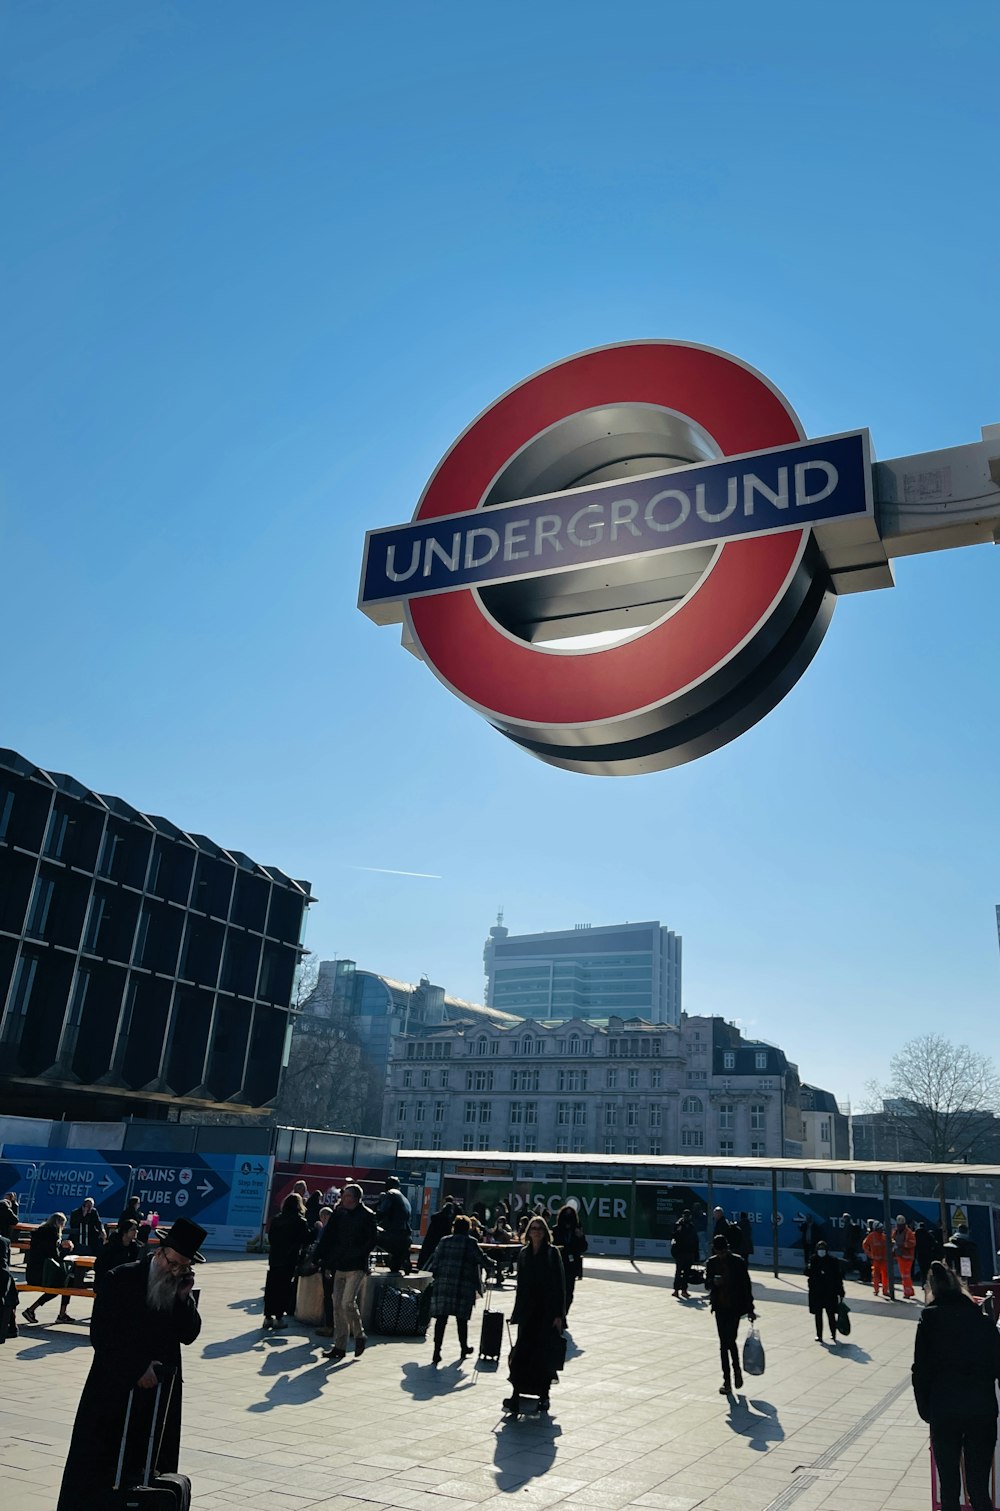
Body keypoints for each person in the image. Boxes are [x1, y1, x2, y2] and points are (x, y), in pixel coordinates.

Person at [55, 1217, 205, 1511]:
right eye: (172, 1263)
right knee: (98, 1467)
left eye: (183, 1267)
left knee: (149, 1468)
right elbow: (102, 1334)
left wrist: (185, 1300)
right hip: (113, 1390)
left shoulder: (179, 1287)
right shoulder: (121, 1277)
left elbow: (189, 1335)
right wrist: (137, 1367)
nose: (175, 1271)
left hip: (158, 1397)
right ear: (160, 1252)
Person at [912, 1260, 1000, 1511]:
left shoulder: (929, 1320)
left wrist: (926, 1410)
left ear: (933, 1290)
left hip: (944, 1409)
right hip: (981, 1411)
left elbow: (921, 1370)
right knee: (979, 1486)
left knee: (949, 1488)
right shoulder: (983, 1323)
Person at [503, 1216, 566, 1415]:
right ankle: (516, 1393)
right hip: (528, 1312)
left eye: (539, 1228)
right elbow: (520, 1286)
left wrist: (559, 1314)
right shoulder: (524, 1254)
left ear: (545, 1232)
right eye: (533, 1228)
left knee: (543, 1356)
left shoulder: (552, 1252)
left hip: (546, 1313)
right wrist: (516, 1313)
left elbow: (559, 1285)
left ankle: (544, 1395)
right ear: (528, 1232)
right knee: (521, 1354)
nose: (536, 1231)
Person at [318, 1182, 378, 1362]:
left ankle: (360, 1334)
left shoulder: (367, 1215)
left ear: (356, 1199)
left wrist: (358, 1253)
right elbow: (329, 1237)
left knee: (347, 1303)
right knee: (336, 1304)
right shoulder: (339, 1214)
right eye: (343, 1196)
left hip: (356, 1266)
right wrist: (325, 1260)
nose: (344, 1198)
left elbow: (372, 1239)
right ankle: (340, 1346)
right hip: (339, 1264)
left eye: (347, 1196)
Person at [426, 1213, 486, 1363]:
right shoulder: (470, 1242)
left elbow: (435, 1262)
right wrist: (493, 1264)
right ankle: (463, 1347)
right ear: (467, 1229)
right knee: (462, 1320)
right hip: (462, 1286)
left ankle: (436, 1351)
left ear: (454, 1228)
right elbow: (481, 1258)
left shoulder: (444, 1241)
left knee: (441, 1320)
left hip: (444, 1286)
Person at [704, 1234, 755, 1395]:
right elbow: (707, 1284)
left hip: (734, 1307)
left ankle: (735, 1373)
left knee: (729, 1341)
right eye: (718, 1253)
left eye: (723, 1252)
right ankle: (728, 1378)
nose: (720, 1255)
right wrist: (713, 1282)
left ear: (727, 1248)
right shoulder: (711, 1263)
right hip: (719, 1307)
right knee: (724, 1343)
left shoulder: (738, 1262)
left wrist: (750, 1309)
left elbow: (746, 1286)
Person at [264, 1192, 312, 1329]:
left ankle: (267, 1317)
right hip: (290, 1259)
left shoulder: (277, 1219)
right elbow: (306, 1238)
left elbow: (271, 1238)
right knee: (284, 1288)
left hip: (275, 1258)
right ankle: (279, 1317)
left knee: (271, 1287)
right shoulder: (300, 1221)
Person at [21, 1213, 78, 1325]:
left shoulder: (39, 1234)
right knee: (67, 1281)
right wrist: (66, 1249)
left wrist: (60, 1246)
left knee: (65, 1282)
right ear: (58, 1223)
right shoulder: (52, 1236)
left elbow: (46, 1252)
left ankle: (34, 1310)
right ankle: (57, 1313)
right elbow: (56, 1257)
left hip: (32, 1273)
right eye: (63, 1224)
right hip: (44, 1275)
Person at [551, 1204, 588, 1315]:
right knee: (558, 1293)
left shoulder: (577, 1230)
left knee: (569, 1294)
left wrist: (580, 1236)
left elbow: (584, 1247)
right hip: (560, 1265)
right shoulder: (556, 1230)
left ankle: (564, 1314)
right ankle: (559, 1316)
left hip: (572, 1266)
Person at [808, 1237, 845, 1342]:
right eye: (819, 1248)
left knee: (831, 1314)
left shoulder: (833, 1261)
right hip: (817, 1292)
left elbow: (838, 1277)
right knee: (818, 1314)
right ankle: (819, 1335)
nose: (821, 1250)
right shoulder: (813, 1259)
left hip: (830, 1292)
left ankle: (833, 1334)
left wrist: (841, 1291)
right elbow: (807, 1273)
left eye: (823, 1248)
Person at [376, 1176, 413, 1274]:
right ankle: (403, 1261)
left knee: (368, 1233)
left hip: (393, 1236)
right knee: (395, 1267)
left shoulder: (391, 1194)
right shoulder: (405, 1199)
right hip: (405, 1237)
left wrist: (371, 1220)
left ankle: (364, 1264)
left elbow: (382, 1213)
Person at [95, 1220, 142, 1288]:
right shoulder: (111, 1246)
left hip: (124, 1282)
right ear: (125, 1232)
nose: (136, 1232)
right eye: (133, 1229)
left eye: (136, 1229)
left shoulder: (134, 1247)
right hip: (108, 1280)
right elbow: (100, 1265)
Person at [417, 1199, 455, 1271]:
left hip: (430, 1242)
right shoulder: (447, 1221)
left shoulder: (435, 1219)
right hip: (440, 1245)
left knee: (426, 1261)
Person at [671, 1208, 700, 1299]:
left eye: (688, 1216)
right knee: (678, 1272)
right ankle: (676, 1290)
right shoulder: (678, 1225)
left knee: (687, 1273)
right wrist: (677, 1231)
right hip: (680, 1252)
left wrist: (696, 1253)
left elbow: (695, 1240)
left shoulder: (691, 1226)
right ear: (682, 1216)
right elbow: (673, 1236)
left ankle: (684, 1290)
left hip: (689, 1252)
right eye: (685, 1215)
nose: (686, 1217)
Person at [892, 1214, 917, 1299]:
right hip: (900, 1256)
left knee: (906, 1275)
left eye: (900, 1225)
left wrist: (902, 1245)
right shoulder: (895, 1231)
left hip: (907, 1257)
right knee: (904, 1275)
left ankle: (908, 1293)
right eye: (898, 1225)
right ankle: (909, 1291)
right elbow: (892, 1240)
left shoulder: (909, 1232)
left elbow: (912, 1243)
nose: (899, 1226)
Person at [863, 1220, 889, 1297]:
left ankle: (885, 1290)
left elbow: (889, 1243)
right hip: (876, 1260)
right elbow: (865, 1245)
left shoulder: (884, 1236)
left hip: (884, 1260)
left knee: (885, 1276)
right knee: (876, 1276)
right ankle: (876, 1290)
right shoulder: (871, 1236)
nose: (882, 1229)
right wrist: (869, 1254)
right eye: (880, 1228)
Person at [0, 1235, 18, 1341]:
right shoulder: (5, 1241)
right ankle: (11, 1328)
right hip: (4, 1274)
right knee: (9, 1298)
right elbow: (7, 1262)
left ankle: (12, 1328)